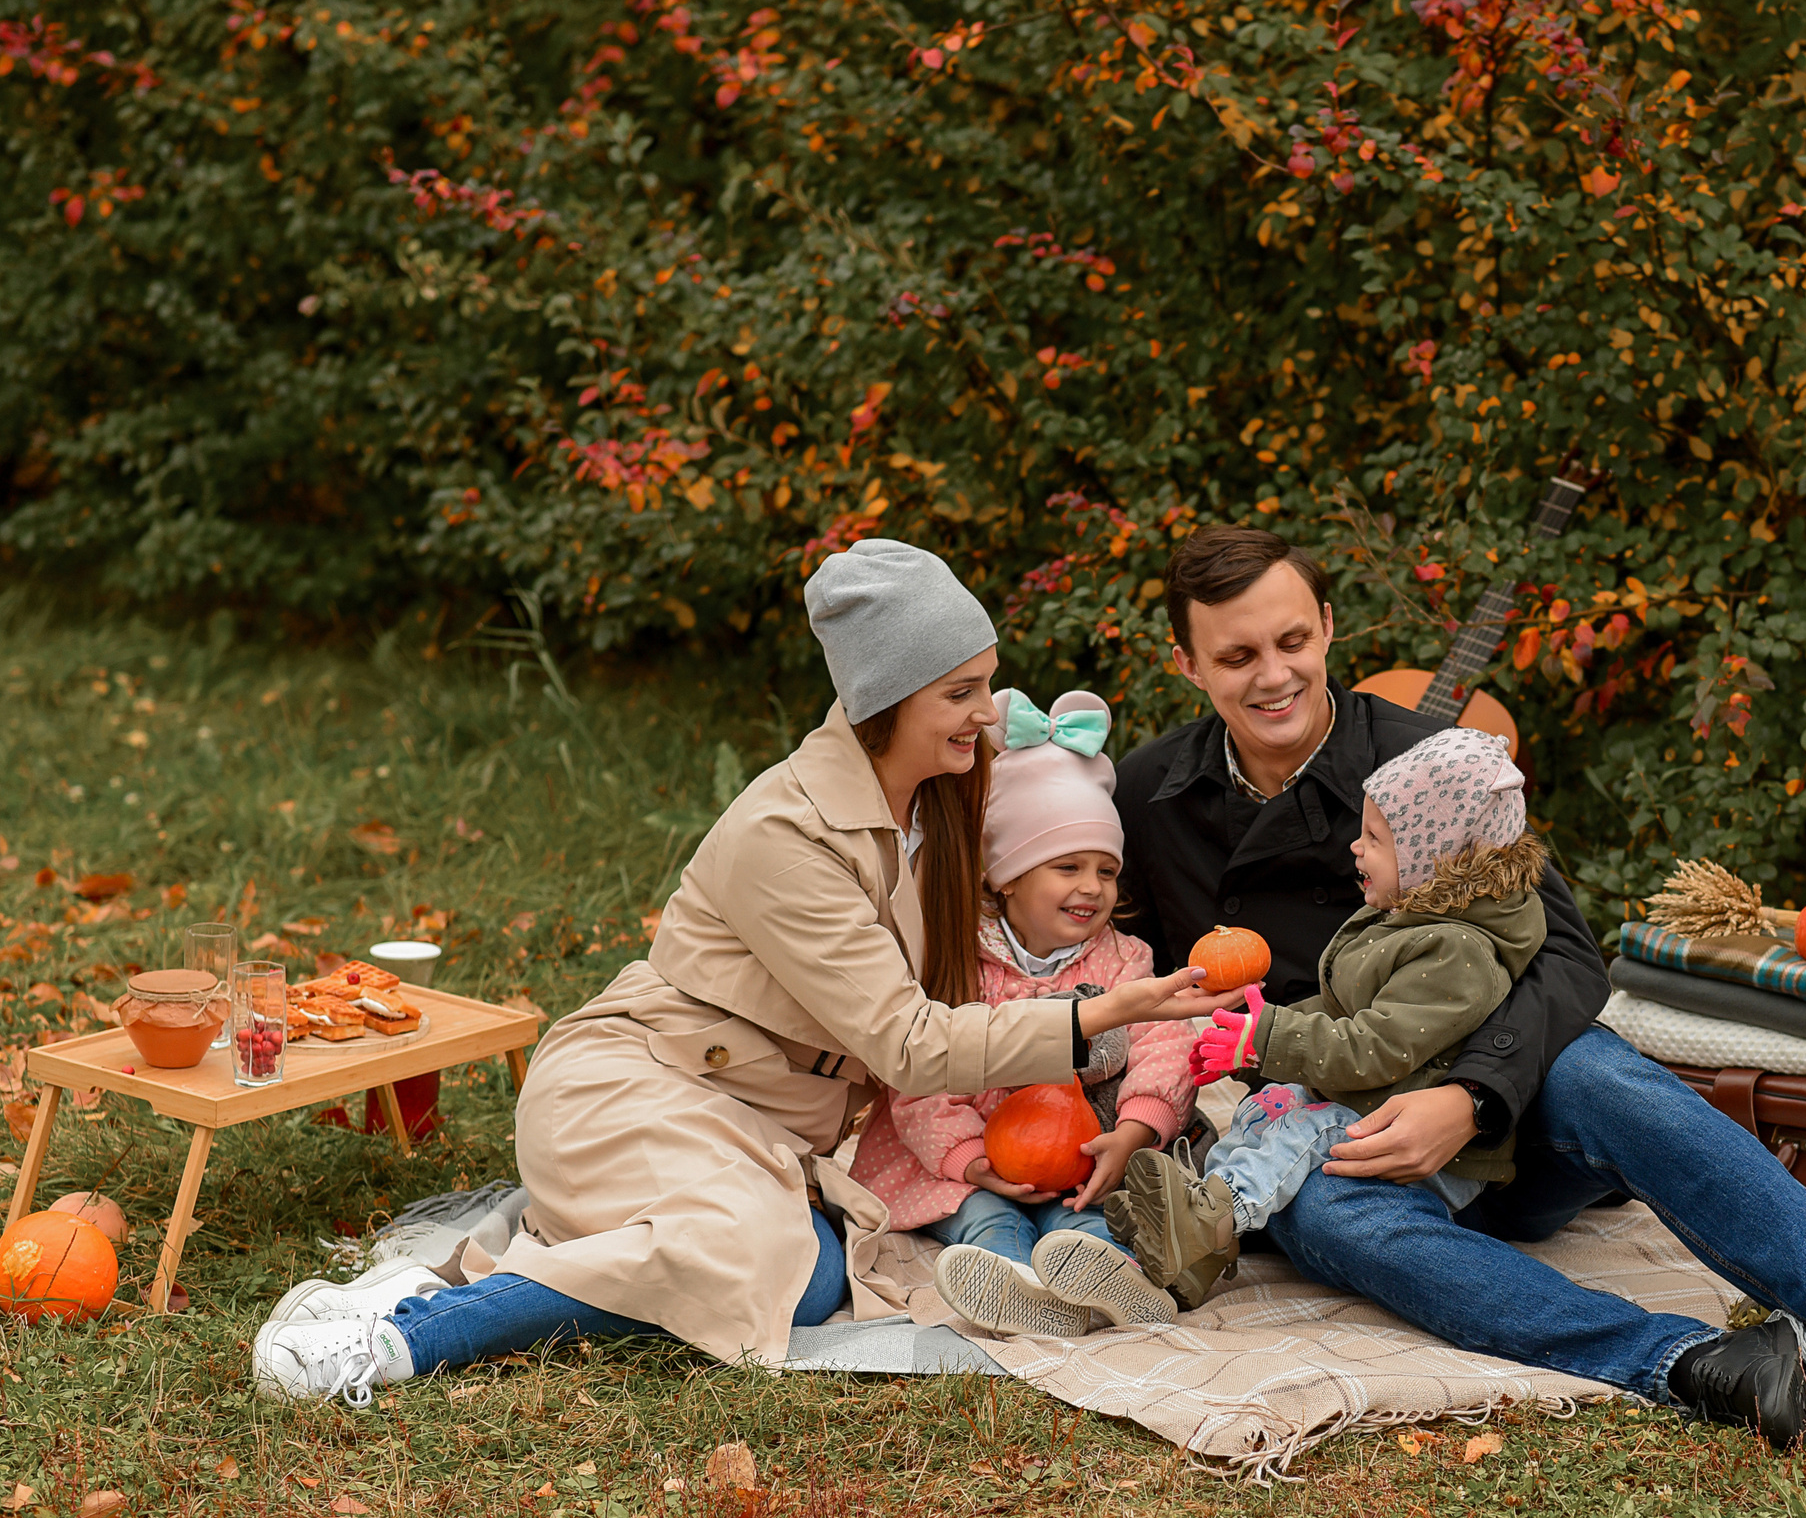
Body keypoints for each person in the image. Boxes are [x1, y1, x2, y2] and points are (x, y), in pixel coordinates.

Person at [251, 541, 1232, 1406]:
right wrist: (1100, 1010)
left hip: (757, 1128)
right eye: (961, 691)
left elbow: (1024, 894)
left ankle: (561, 1260)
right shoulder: (787, 831)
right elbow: (907, 1041)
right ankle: (408, 1331)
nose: (988, 711)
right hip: (640, 1086)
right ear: (890, 698)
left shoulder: (933, 801)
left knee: (801, 1284)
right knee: (753, 1261)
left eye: (987, 683)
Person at [1110, 525, 1806, 1466]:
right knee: (1320, 1215)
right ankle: (1704, 1366)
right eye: (1236, 656)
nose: (1273, 675)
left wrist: (1470, 1096)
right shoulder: (1150, 795)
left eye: (1291, 642)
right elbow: (1107, 973)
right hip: (1335, 1129)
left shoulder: (1434, 761)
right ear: (1188, 665)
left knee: (1601, 1071)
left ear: (1327, 626)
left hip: (1507, 1113)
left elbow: (1567, 957)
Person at [1109, 727, 1545, 1309]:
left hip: (1427, 1147)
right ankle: (1196, 1244)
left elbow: (1377, 1045)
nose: (1355, 847)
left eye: (1374, 838)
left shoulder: (1456, 950)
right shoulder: (1410, 921)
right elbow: (1344, 1009)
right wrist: (1251, 1038)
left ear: (1432, 859)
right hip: (1370, 1099)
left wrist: (1268, 1038)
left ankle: (1208, 1222)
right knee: (1266, 1106)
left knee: (1302, 1128)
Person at [848, 688, 1189, 1339]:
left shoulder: (1124, 959)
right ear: (1006, 875)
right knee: (987, 1217)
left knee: (1082, 1219)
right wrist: (973, 1159)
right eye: (1066, 866)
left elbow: (1164, 1044)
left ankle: (1109, 1276)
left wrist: (1137, 1130)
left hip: (1084, 1151)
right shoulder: (959, 961)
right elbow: (918, 1072)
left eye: (1106, 869)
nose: (1090, 885)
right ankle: (1010, 1286)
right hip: (967, 1156)